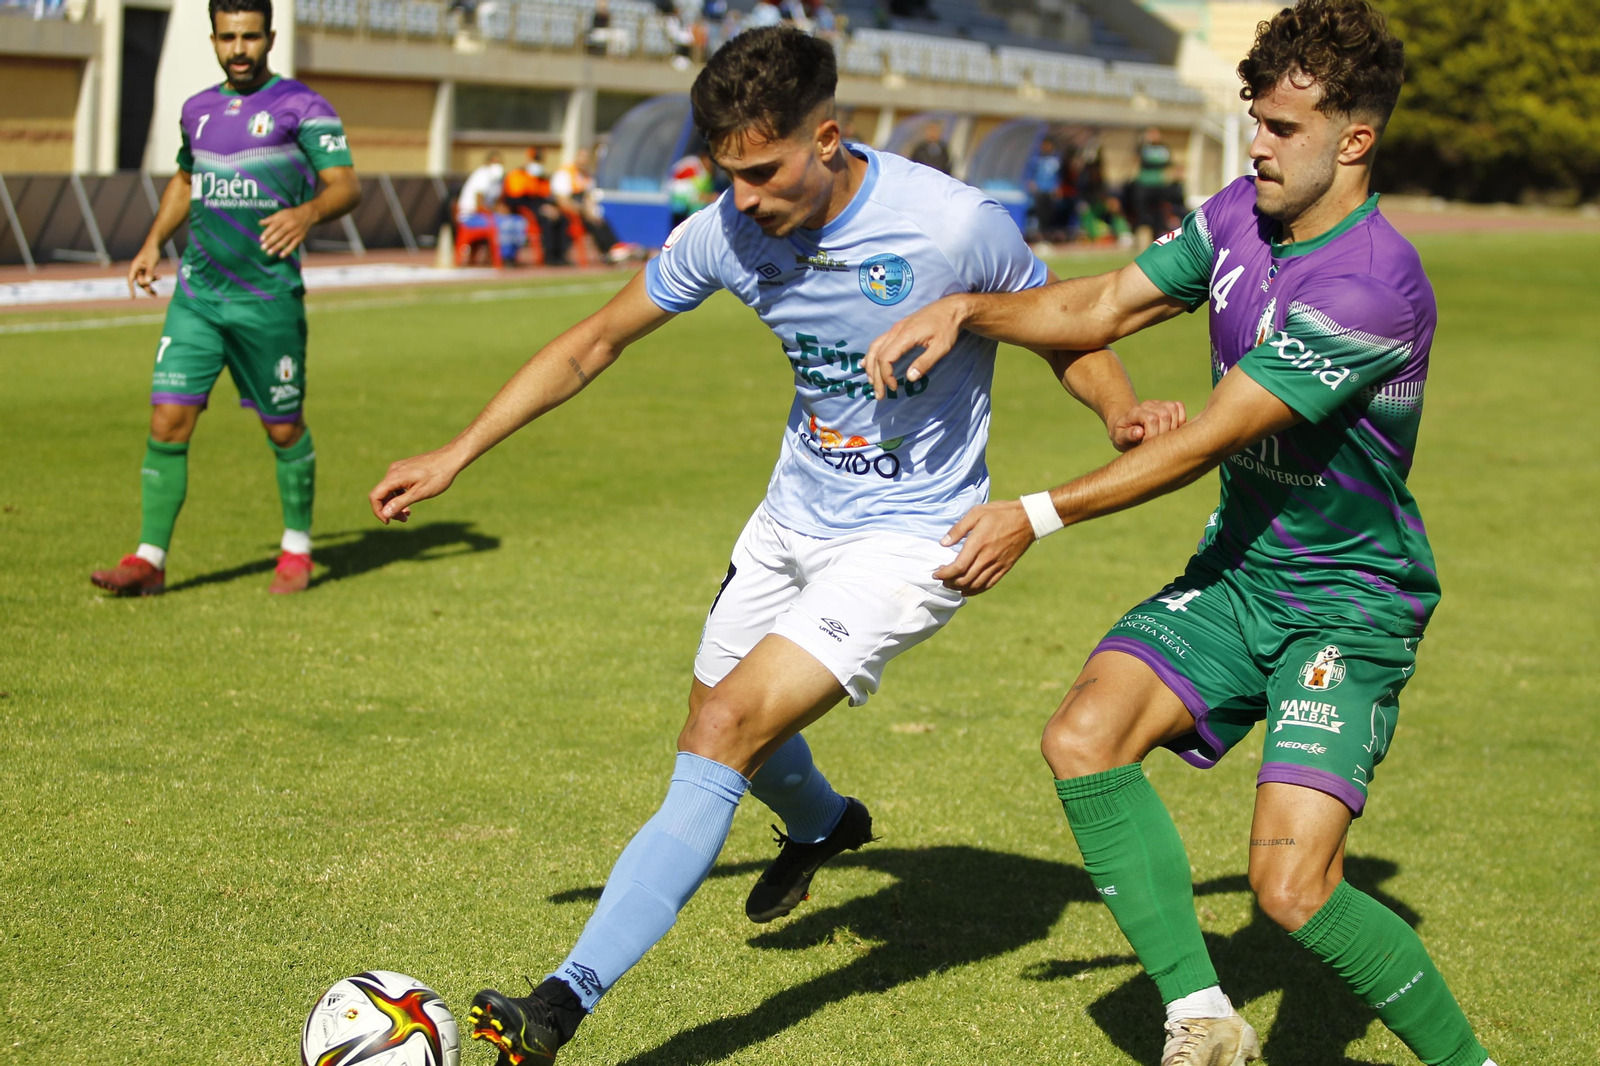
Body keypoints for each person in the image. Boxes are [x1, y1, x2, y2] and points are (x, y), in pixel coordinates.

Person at [368, 26, 1181, 1064]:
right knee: (718, 707)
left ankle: (558, 1005)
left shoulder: (947, 225)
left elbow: (1066, 323)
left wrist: (1115, 416)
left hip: (908, 537)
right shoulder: (724, 233)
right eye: (727, 175)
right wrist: (457, 452)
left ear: (828, 138)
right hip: (789, 517)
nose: (742, 198)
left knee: (725, 727)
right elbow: (594, 342)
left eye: (761, 171)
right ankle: (826, 825)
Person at [863, 3, 1498, 1065]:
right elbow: (1102, 305)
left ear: (1354, 140)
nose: (1256, 141)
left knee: (1292, 891)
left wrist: (1034, 513)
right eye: (1255, 117)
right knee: (1082, 735)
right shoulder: (1237, 217)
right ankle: (1204, 1018)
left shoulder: (1369, 284)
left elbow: (1205, 437)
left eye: (1284, 128)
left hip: (1347, 599)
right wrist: (968, 309)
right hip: (1241, 576)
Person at [90, 0, 359, 597]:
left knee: (284, 429)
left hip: (267, 301)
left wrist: (308, 211)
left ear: (270, 37)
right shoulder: (198, 110)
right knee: (168, 419)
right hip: (198, 296)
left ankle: (296, 549)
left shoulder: (303, 108)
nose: (239, 49)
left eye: (251, 37)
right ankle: (148, 560)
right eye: (228, 37)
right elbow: (187, 181)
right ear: (213, 38)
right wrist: (153, 242)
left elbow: (346, 184)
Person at [503, 147, 566, 265]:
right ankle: (550, 256)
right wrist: (541, 208)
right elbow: (515, 198)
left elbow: (546, 196)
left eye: (539, 161)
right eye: (535, 160)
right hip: (525, 211)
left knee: (561, 218)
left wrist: (552, 208)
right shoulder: (517, 175)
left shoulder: (541, 178)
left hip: (541, 207)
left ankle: (560, 255)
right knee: (547, 220)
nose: (537, 164)